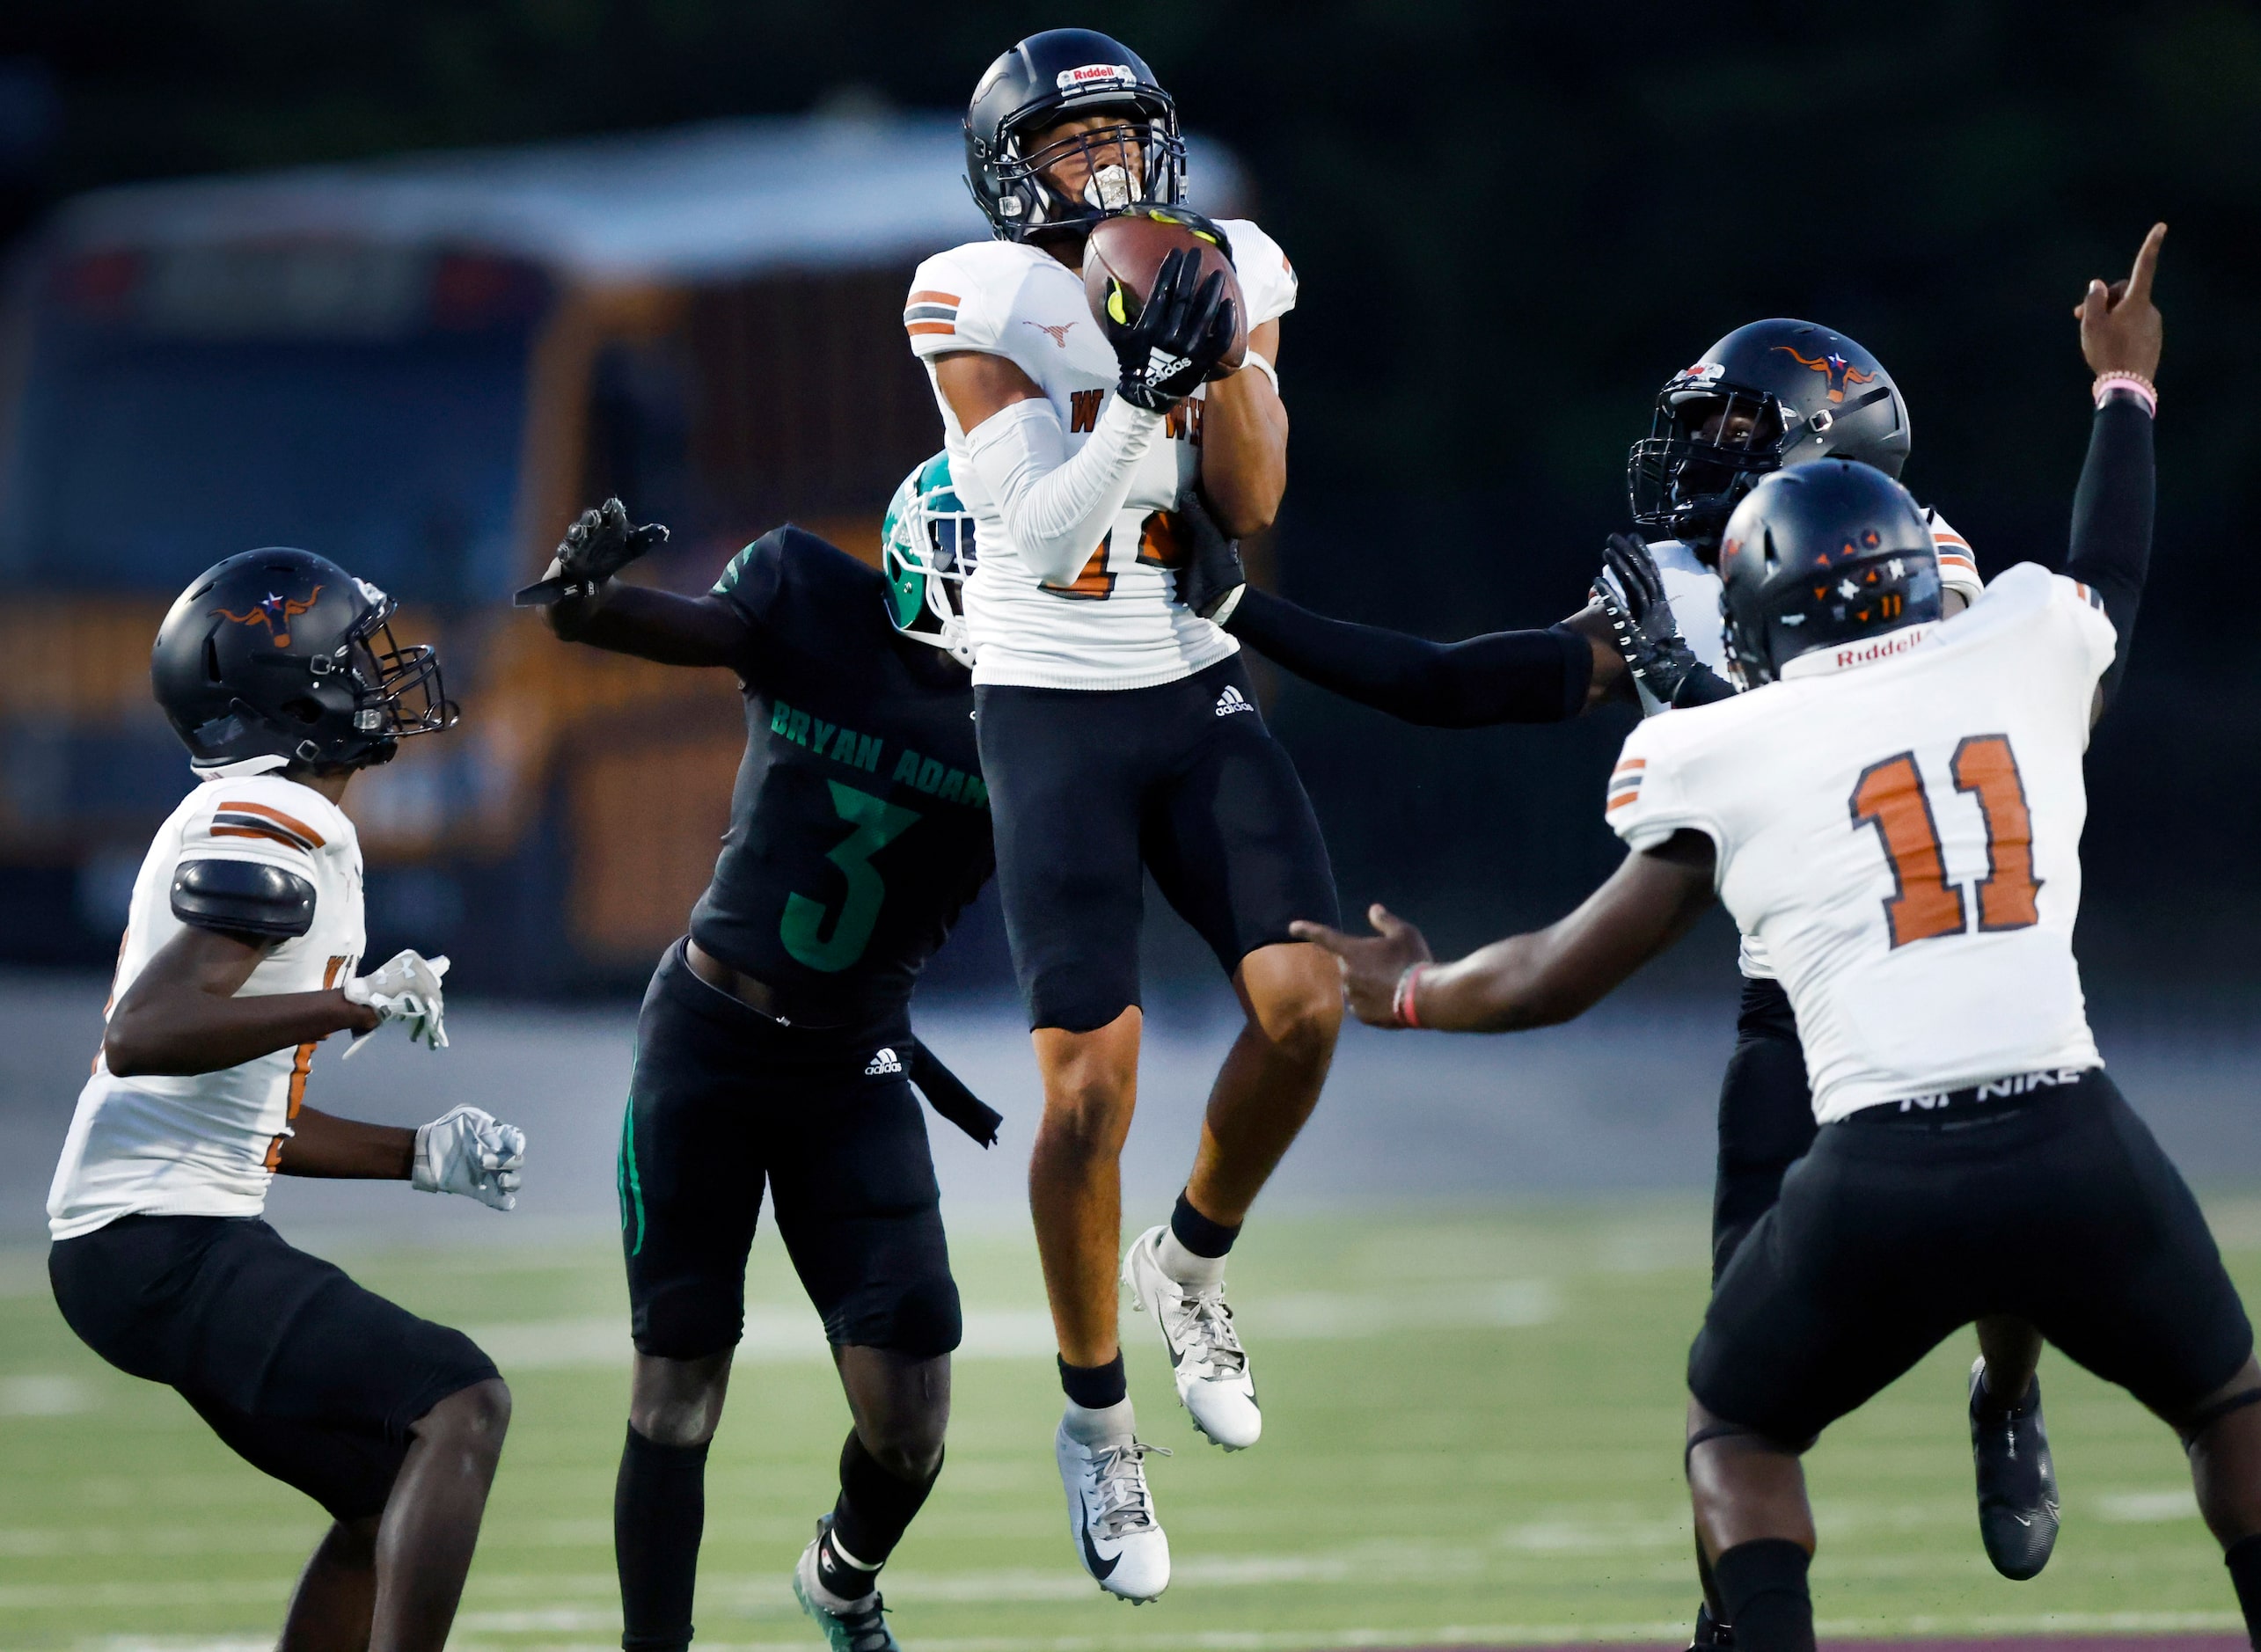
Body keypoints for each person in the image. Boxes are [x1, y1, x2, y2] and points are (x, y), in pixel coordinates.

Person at [1295, 229, 2261, 1652]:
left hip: (1879, 1128)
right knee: (2227, 1405)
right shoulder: (2012, 632)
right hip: (2056, 1107)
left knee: (1737, 1414)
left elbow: (1580, 950)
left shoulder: (1730, 732)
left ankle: (1907, 1487)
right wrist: (2125, 392)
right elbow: (2102, 579)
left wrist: (1417, 987)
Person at [1173, 321, 2062, 1594]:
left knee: (2010, 1233)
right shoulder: (1680, 568)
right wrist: (1243, 607)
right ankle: (1733, 1612)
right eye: (1697, 426)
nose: (1696, 453)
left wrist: (1681, 674)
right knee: (1736, 1363)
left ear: (1827, 441)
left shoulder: (1913, 561)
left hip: (1944, 961)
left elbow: (1849, 743)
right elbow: (1460, 682)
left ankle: (2007, 1386)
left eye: (1731, 430)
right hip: (1790, 989)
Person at [904, 27, 1343, 1602]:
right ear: (1007, 175)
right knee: (1086, 1092)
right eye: (1062, 146)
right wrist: (1139, 395)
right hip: (1047, 698)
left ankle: (1193, 1259)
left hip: (1186, 675)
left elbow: (1258, 500)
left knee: (1307, 1004)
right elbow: (1033, 525)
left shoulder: (1234, 260)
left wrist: (1215, 348)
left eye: (1114, 138)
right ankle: (1098, 1424)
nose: (1096, 167)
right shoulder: (978, 293)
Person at [522, 465, 1002, 1652]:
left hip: (854, 1067)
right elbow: (689, 629)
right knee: (676, 1390)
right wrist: (586, 599)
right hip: (711, 1039)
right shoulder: (809, 596)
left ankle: (840, 1576)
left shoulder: (1039, 708)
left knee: (910, 1423)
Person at [47, 548, 523, 1652]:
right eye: (354, 655)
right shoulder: (276, 818)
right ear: (288, 689)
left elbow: (232, 1111)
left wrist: (418, 1157)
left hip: (142, 1232)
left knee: (376, 1495)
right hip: (154, 1240)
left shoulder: (269, 816)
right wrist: (345, 1006)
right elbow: (144, 1036)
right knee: (461, 1403)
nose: (382, 674)